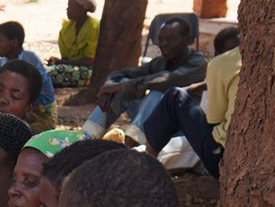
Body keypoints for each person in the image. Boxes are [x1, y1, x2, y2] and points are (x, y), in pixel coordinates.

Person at [83, 17, 207, 146]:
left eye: (171, 39)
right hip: (155, 124)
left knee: (156, 94)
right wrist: (108, 90)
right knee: (118, 91)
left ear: (187, 39)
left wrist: (121, 86)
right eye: (161, 39)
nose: (164, 44)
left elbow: (166, 80)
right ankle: (86, 139)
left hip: (182, 127)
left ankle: (131, 144)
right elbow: (121, 74)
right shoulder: (160, 62)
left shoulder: (198, 63)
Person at [143, 27, 240, 178]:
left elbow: (214, 120)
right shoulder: (272, 57)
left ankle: (145, 163)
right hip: (259, 159)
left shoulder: (220, 64)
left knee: (175, 97)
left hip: (224, 159)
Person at [0, 21, 56, 133]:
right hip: (15, 111)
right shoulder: (1, 63)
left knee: (14, 133)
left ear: (14, 42)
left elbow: (28, 100)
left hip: (40, 115)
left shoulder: (29, 61)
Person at [46, 0, 100, 88]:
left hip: (88, 72)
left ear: (82, 8)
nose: (67, 9)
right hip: (70, 68)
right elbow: (66, 59)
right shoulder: (67, 28)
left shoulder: (93, 27)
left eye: (71, 6)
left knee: (47, 75)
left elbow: (90, 61)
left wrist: (61, 62)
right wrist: (57, 61)